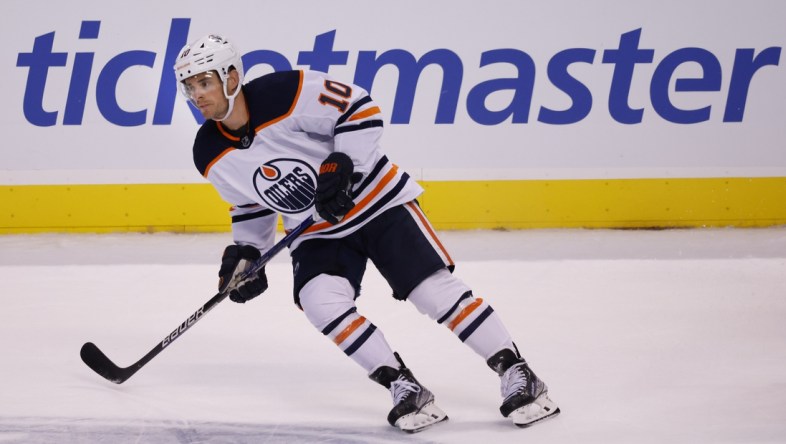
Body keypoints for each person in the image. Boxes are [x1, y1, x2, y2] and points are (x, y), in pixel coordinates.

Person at [174, 34, 560, 433]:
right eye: (190, 87)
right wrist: (248, 253)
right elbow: (251, 203)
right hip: (317, 230)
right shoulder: (209, 152)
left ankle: (518, 372)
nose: (197, 95)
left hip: (376, 202)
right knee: (319, 301)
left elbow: (359, 108)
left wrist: (343, 163)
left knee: (431, 291)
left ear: (231, 76)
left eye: (205, 82)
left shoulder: (283, 92)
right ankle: (403, 385)